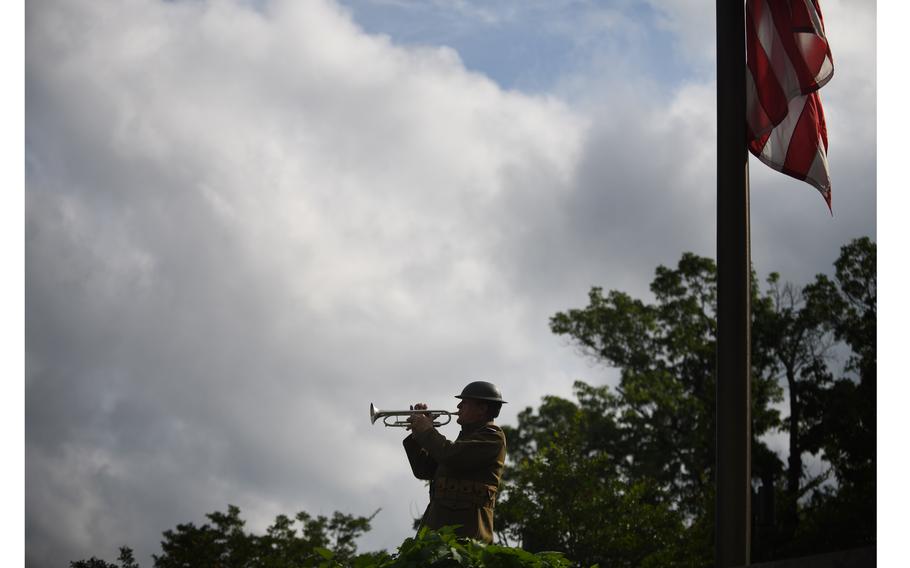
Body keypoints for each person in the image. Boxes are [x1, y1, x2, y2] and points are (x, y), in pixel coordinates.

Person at [402, 381, 507, 544]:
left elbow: (450, 456)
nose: (458, 406)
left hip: (468, 537)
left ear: (482, 409)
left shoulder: (492, 437)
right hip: (435, 533)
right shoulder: (463, 441)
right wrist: (418, 435)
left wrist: (427, 431)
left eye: (464, 403)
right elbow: (423, 470)